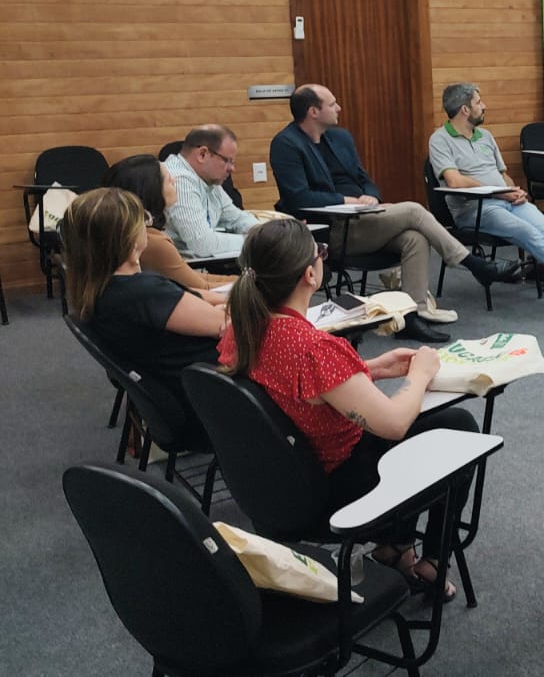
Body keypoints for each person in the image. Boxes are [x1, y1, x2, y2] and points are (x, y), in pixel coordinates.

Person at [217, 218, 475, 602]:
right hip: (336, 487)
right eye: (320, 252)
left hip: (285, 477)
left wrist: (371, 368)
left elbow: (297, 388)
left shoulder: (245, 326)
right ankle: (428, 559)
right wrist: (419, 376)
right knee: (458, 426)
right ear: (310, 274)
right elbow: (393, 424)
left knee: (442, 423)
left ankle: (395, 548)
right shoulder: (311, 348)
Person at [269, 84, 518, 342]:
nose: (339, 108)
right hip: (331, 230)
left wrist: (371, 196)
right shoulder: (286, 145)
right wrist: (348, 200)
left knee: (414, 237)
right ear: (313, 111)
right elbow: (298, 199)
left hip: (366, 218)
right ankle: (474, 264)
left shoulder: (340, 138)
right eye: (332, 104)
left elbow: (364, 179)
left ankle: (410, 317)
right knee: (412, 210)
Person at [427, 82, 544, 318]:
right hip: (474, 210)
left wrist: (513, 190)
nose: (483, 106)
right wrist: (498, 192)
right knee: (528, 232)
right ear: (465, 110)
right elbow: (454, 181)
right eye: (478, 102)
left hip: (507, 200)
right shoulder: (440, 139)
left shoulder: (485, 136)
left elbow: (502, 173)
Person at [60, 188, 227, 444]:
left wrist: (229, 300)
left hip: (184, 389)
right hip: (212, 400)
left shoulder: (102, 287)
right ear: (125, 237)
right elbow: (223, 324)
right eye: (143, 221)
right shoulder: (144, 293)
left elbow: (194, 296)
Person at [104, 153, 235, 302]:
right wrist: (250, 286)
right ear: (152, 190)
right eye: (168, 179)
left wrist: (243, 280)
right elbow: (201, 288)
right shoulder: (152, 241)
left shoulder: (139, 232)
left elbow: (195, 278)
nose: (174, 181)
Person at [162, 124, 260, 258]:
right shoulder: (179, 180)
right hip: (180, 271)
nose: (232, 169)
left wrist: (262, 233)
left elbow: (236, 218)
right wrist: (256, 241)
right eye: (227, 161)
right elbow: (203, 244)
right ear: (203, 154)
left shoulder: (208, 180)